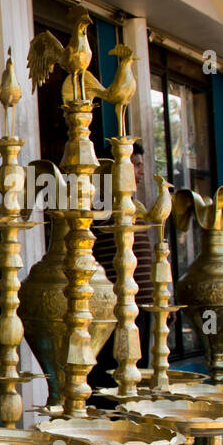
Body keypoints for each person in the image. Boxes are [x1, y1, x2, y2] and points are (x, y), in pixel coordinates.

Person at [91, 141, 154, 389]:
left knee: (136, 378)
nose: (141, 172)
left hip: (141, 311)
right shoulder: (101, 210)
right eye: (136, 166)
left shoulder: (131, 208)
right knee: (112, 381)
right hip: (113, 311)